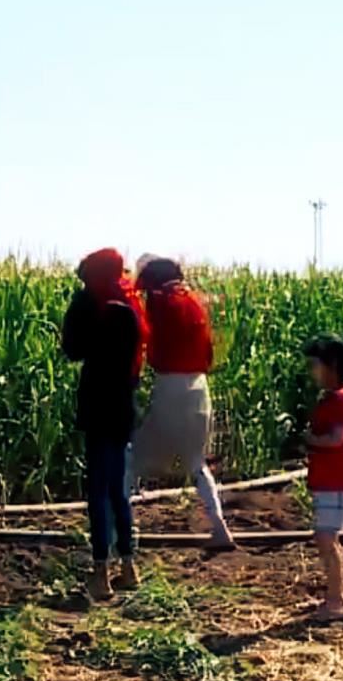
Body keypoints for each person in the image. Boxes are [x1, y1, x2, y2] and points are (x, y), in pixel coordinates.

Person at [131, 255, 236, 551]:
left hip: (171, 387)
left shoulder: (161, 302)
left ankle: (121, 529)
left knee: (133, 459)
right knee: (197, 464)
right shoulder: (193, 301)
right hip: (199, 387)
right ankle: (219, 527)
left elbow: (149, 341)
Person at [61, 248, 147, 602]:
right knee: (118, 489)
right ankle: (128, 567)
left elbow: (72, 349)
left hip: (98, 403)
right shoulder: (130, 302)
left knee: (97, 490)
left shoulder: (89, 301)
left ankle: (101, 573)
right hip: (123, 404)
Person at [302, 335, 343, 621]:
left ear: (332, 365)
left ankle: (337, 601)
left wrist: (310, 439)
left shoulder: (341, 399)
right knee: (326, 537)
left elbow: (337, 439)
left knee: (327, 537)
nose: (312, 371)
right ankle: (334, 596)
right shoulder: (337, 398)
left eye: (316, 364)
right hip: (331, 480)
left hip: (338, 480)